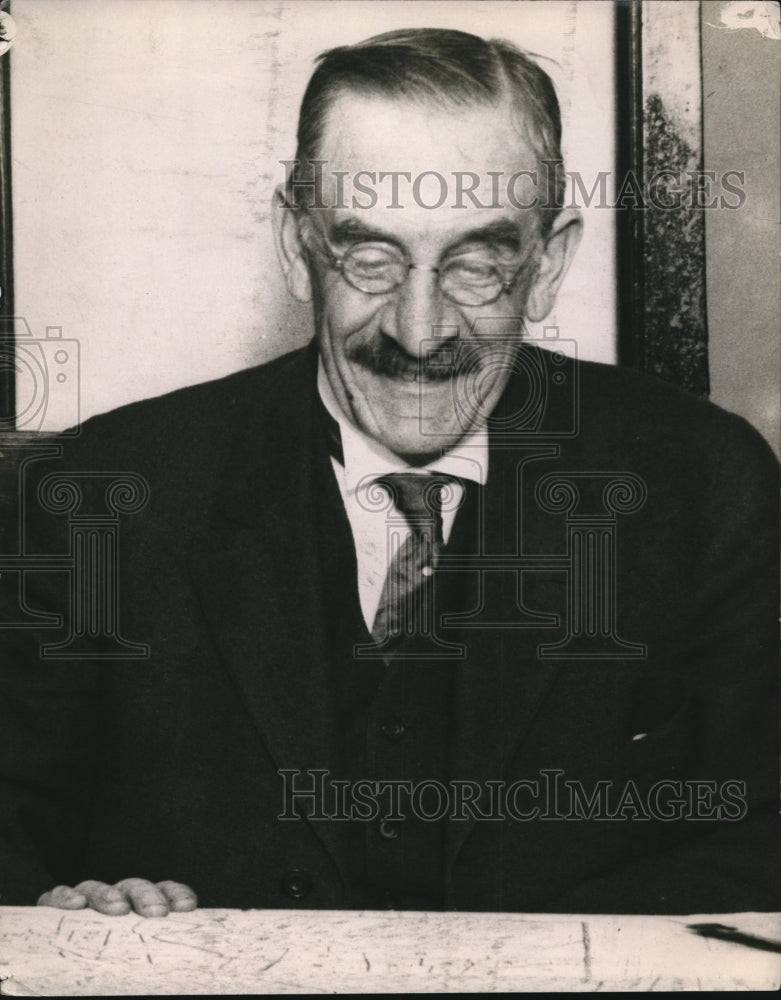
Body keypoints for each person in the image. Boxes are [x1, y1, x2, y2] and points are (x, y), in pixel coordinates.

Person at [0, 28, 778, 918]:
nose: (419, 331)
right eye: (369, 259)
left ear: (550, 262)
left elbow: (759, 835)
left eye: (478, 264)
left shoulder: (704, 484)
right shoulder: (109, 493)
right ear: (297, 247)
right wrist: (68, 912)